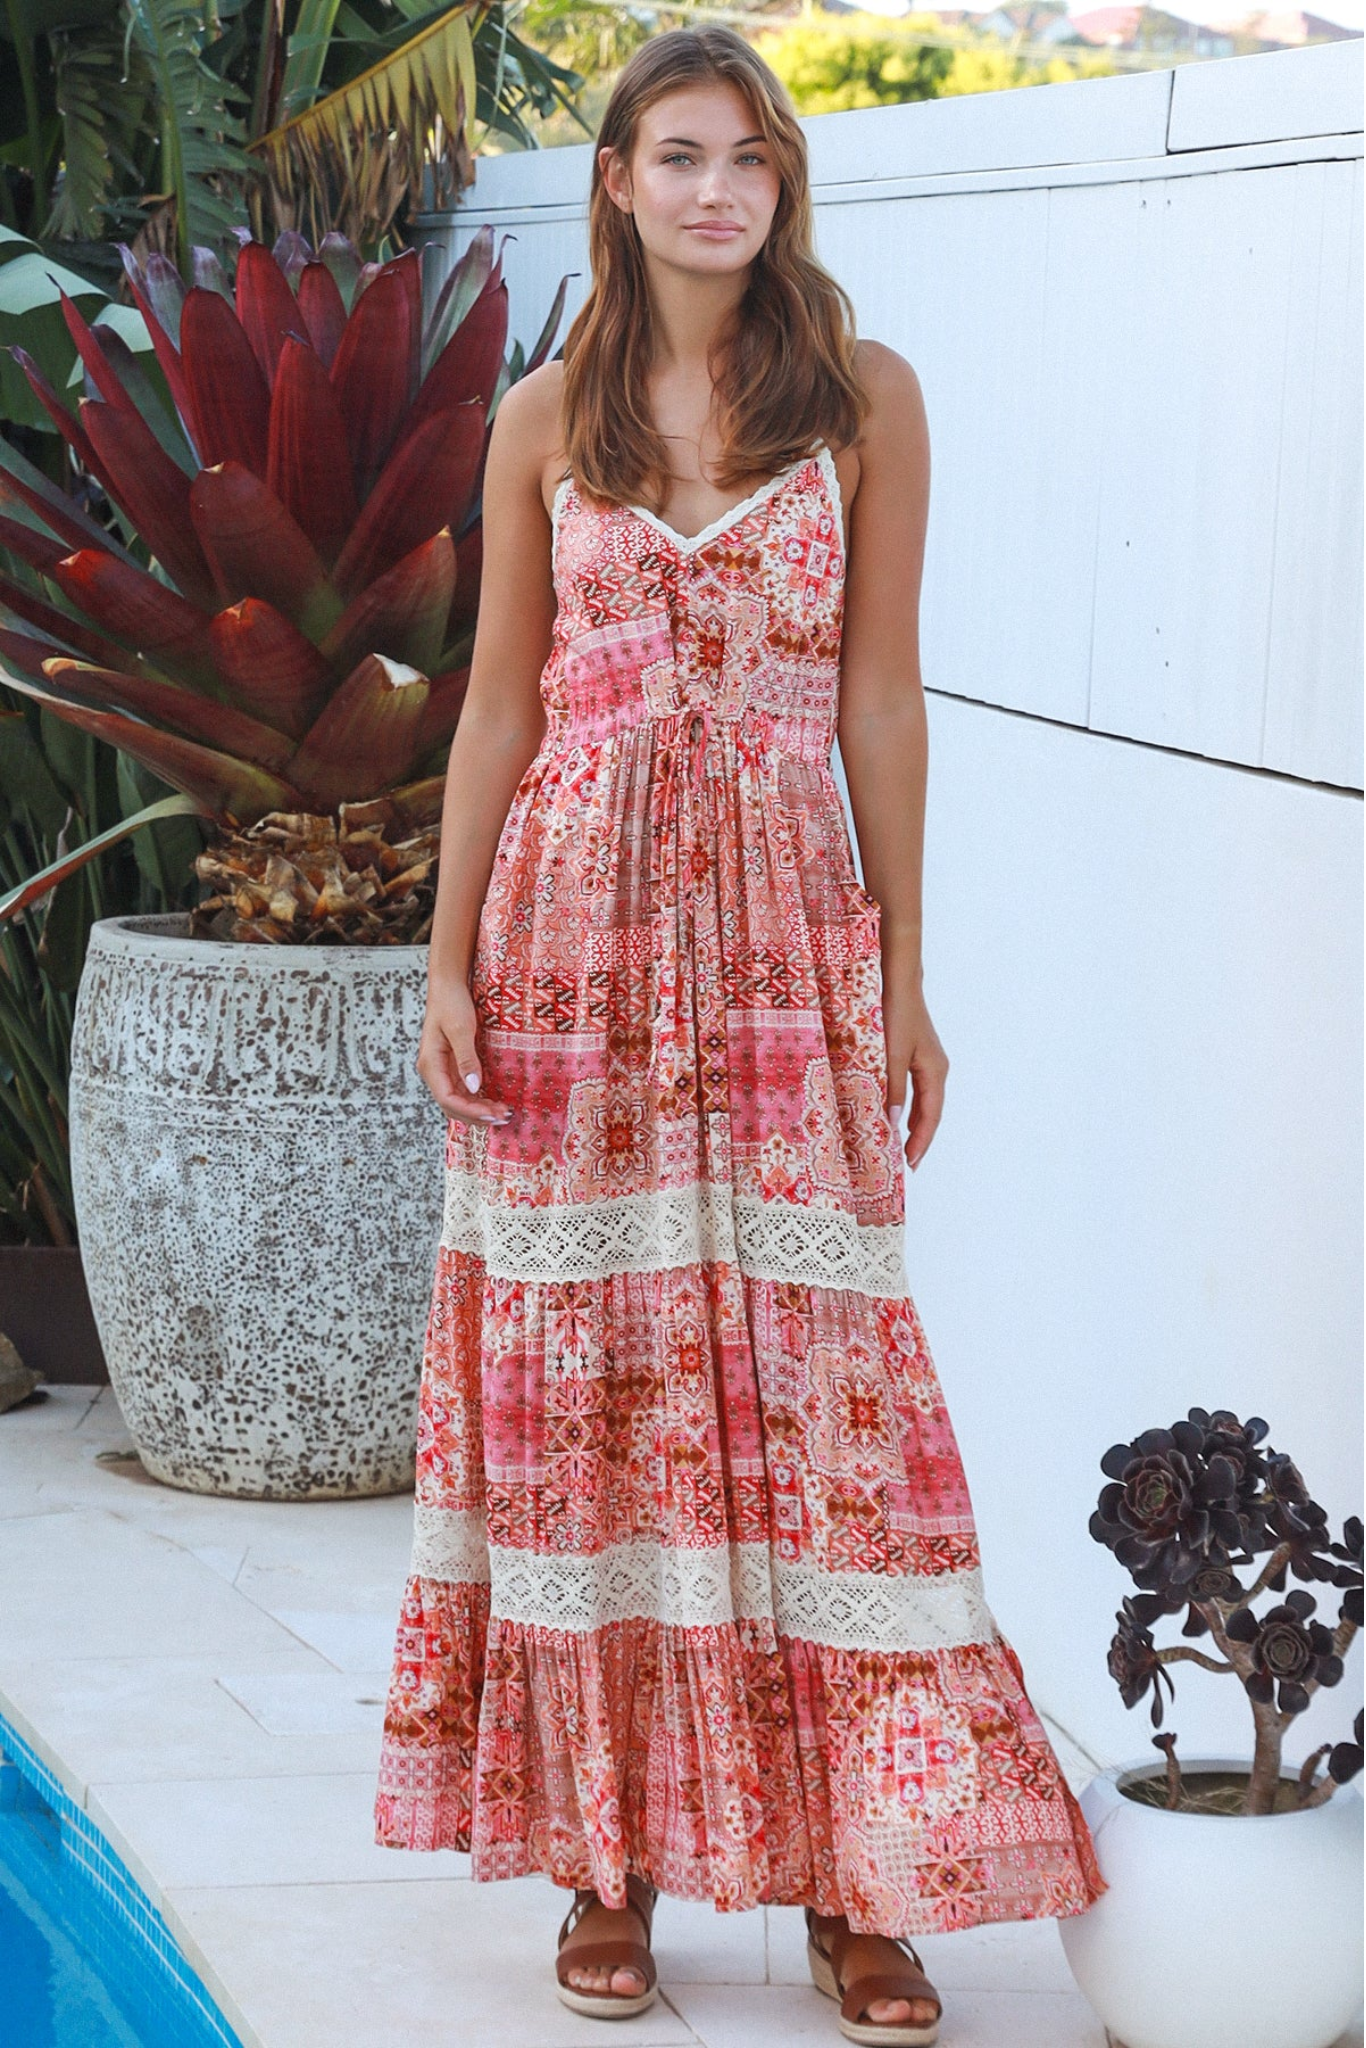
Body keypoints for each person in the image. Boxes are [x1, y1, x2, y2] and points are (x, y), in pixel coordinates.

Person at [373, 26, 1106, 2045]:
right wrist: (446, 960)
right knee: (585, 1383)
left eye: (748, 162)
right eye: (676, 155)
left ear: (784, 189)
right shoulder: (542, 417)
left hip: (788, 941)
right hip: (570, 945)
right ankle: (605, 1860)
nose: (715, 189)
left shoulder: (864, 401)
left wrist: (902, 968)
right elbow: (499, 709)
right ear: (611, 179)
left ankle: (855, 1877)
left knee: (821, 1390)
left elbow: (882, 699)